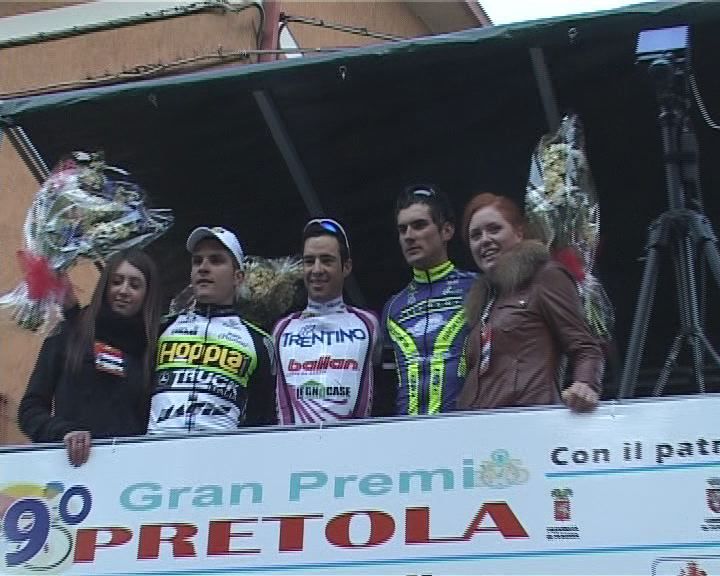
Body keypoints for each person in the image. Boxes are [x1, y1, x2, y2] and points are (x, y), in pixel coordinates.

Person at [456, 192, 604, 412]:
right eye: (475, 235)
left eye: (494, 229)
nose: (484, 240)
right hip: (477, 425)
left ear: (519, 232)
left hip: (527, 421)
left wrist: (585, 384)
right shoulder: (486, 300)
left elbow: (585, 347)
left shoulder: (545, 276)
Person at [19, 249, 162, 466]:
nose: (123, 290)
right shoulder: (68, 335)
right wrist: (63, 432)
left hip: (130, 472)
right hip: (71, 470)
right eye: (116, 282)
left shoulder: (154, 350)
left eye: (134, 285)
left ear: (147, 295)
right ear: (105, 286)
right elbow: (30, 410)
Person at [148, 226, 276, 434]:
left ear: (238, 277)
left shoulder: (259, 342)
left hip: (221, 450)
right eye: (197, 261)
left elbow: (264, 422)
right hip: (157, 447)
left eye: (216, 260)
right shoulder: (160, 329)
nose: (203, 268)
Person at [274, 218, 380, 424]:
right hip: (292, 441)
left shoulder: (369, 323)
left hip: (352, 441)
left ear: (346, 266)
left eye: (327, 260)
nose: (316, 269)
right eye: (309, 261)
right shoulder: (281, 328)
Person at [382, 185, 476, 415]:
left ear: (447, 231)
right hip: (406, 431)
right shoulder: (392, 307)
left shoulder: (477, 288)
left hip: (463, 427)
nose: (409, 236)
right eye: (402, 229)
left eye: (419, 225)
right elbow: (384, 386)